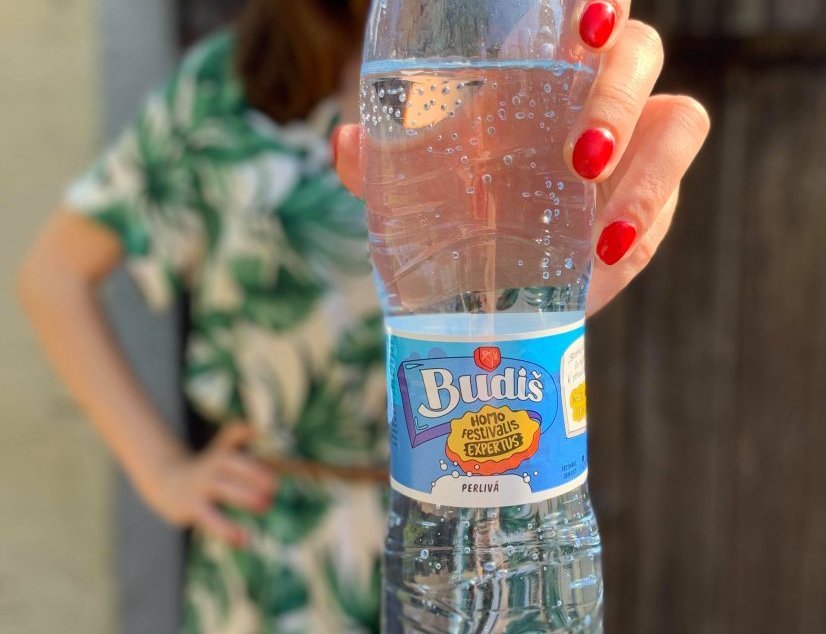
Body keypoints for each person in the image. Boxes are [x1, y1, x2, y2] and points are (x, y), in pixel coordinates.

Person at [17, 0, 709, 632]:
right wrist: (162, 470)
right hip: (276, 568)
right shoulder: (218, 90)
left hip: (489, 553)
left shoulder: (531, 56)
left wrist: (588, 193)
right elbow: (53, 277)